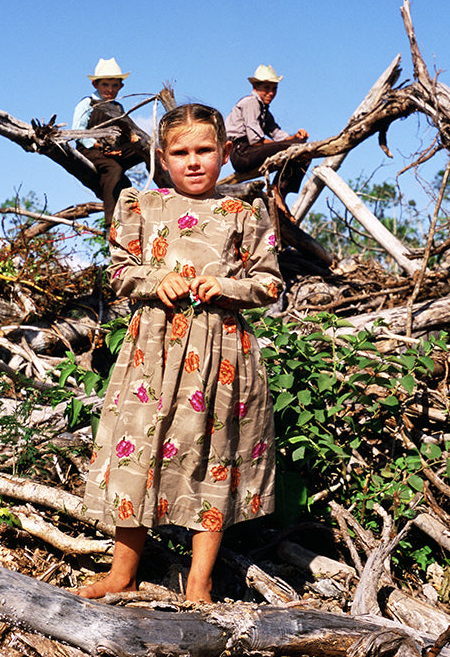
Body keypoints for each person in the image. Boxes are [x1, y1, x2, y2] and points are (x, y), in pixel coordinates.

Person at [75, 103, 283, 603]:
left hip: (221, 355)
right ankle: (123, 573)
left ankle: (199, 581)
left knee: (214, 457)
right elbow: (119, 274)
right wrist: (155, 278)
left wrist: (228, 285)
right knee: (139, 452)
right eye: (181, 152)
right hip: (153, 352)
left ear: (225, 152)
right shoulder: (141, 208)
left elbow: (271, 283)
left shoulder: (245, 212)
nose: (194, 161)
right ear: (162, 159)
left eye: (205, 150)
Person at [225, 64, 309, 216]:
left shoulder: (264, 110)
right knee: (297, 148)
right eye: (266, 88)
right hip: (242, 152)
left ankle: (280, 192)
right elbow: (256, 140)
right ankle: (276, 190)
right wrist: (290, 145)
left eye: (274, 88)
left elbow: (278, 134)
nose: (271, 93)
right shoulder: (250, 103)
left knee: (303, 150)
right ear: (255, 86)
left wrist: (297, 137)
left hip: (250, 151)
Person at [72, 57, 142, 224]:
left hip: (114, 150)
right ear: (95, 85)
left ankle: (166, 187)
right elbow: (77, 132)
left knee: (144, 151)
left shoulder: (118, 108)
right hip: (90, 149)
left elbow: (125, 132)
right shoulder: (86, 104)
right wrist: (98, 145)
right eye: (105, 84)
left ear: (121, 86)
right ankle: (111, 223)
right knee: (114, 170)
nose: (110, 89)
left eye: (115, 85)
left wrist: (124, 146)